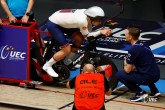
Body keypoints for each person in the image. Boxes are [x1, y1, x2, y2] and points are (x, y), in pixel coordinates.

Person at [42, 6, 112, 77]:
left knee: (79, 39)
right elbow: (87, 36)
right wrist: (100, 31)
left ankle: (67, 61)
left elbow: (89, 31)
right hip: (54, 24)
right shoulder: (82, 21)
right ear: (91, 18)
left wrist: (102, 30)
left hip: (62, 21)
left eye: (101, 19)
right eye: (98, 20)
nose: (100, 22)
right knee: (67, 49)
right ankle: (47, 65)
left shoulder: (88, 15)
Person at [116, 25, 160, 102]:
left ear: (130, 37)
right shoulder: (145, 44)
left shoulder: (133, 50)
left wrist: (125, 61)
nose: (125, 36)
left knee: (119, 74)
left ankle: (140, 93)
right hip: (156, 75)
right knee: (144, 68)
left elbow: (127, 70)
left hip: (148, 78)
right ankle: (155, 91)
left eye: (126, 34)